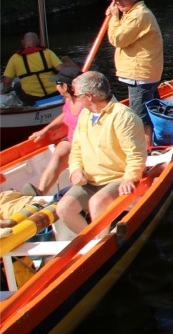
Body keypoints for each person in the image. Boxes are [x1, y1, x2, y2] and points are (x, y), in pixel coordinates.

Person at [57, 71, 146, 234]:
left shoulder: (123, 116)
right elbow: (76, 148)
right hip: (90, 180)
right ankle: (92, 241)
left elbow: (136, 154)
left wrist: (130, 178)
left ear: (89, 96)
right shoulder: (85, 115)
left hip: (117, 177)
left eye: (77, 95)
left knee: (96, 203)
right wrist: (75, 170)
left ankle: (101, 246)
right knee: (63, 208)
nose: (75, 98)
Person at [105, 0, 163, 146]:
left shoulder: (138, 15)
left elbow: (118, 39)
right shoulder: (133, 14)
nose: (118, 3)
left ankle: (147, 148)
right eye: (116, 0)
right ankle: (155, 139)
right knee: (149, 108)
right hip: (144, 73)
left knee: (139, 114)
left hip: (140, 75)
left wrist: (114, 17)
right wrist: (118, 16)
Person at [28, 72, 84, 194]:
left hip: (86, 141)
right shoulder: (68, 100)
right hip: (71, 139)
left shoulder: (86, 103)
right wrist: (44, 130)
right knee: (57, 155)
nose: (55, 87)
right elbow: (65, 115)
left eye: (57, 84)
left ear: (65, 86)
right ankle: (40, 192)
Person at [2, 32, 65, 104]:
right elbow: (62, 69)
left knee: (17, 85)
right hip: (54, 92)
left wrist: (5, 91)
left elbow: (7, 81)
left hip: (31, 97)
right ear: (38, 41)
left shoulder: (15, 58)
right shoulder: (47, 52)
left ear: (22, 42)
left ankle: (27, 107)